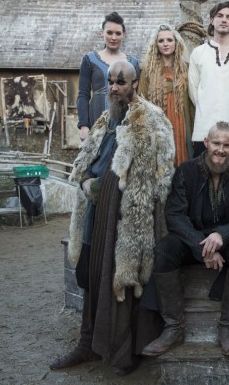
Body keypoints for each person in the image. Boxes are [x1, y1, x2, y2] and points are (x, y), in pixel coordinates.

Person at [50, 60, 175, 375]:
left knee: (122, 280)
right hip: (96, 212)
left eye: (121, 82)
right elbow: (84, 161)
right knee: (92, 276)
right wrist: (85, 182)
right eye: (111, 81)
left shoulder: (152, 119)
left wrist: (118, 193)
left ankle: (124, 350)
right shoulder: (105, 118)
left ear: (135, 83)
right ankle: (88, 343)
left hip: (127, 218)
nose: (115, 87)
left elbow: (162, 175)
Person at [141, 121, 229, 357]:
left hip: (228, 239)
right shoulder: (186, 170)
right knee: (165, 248)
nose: (220, 150)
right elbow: (174, 216)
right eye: (216, 143)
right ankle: (173, 328)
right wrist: (202, 246)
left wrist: (221, 234)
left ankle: (227, 328)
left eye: (227, 145)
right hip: (193, 238)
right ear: (206, 143)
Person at [189, 1, 229, 160]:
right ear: (212, 20)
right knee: (201, 171)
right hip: (205, 127)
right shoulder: (199, 53)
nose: (224, 20)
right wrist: (208, 107)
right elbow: (193, 89)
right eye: (220, 16)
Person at [77, 12, 140, 141]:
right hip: (96, 119)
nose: (113, 37)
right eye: (109, 33)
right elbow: (83, 94)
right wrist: (84, 126)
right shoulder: (90, 59)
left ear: (124, 35)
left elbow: (136, 97)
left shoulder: (132, 63)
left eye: (118, 33)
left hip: (124, 123)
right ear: (102, 33)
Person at [139, 24, 193, 166]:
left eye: (169, 40)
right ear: (156, 45)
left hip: (180, 120)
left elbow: (192, 100)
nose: (165, 44)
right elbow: (141, 99)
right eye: (161, 41)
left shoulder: (185, 68)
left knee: (182, 158)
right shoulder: (148, 69)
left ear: (176, 43)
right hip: (158, 121)